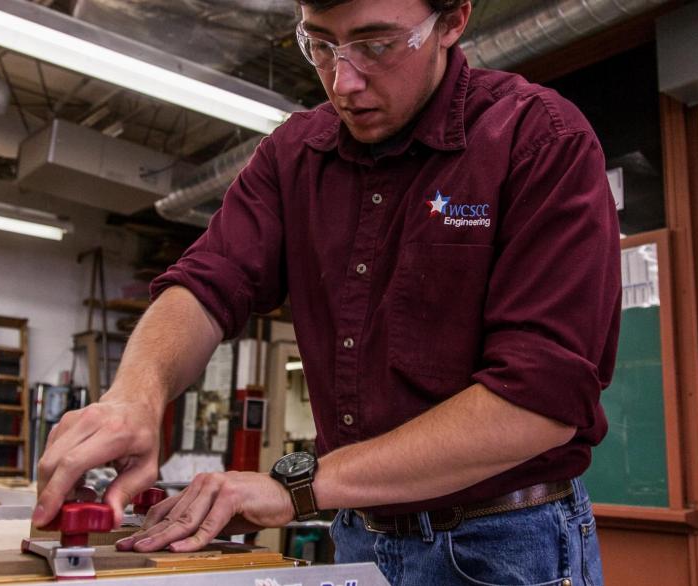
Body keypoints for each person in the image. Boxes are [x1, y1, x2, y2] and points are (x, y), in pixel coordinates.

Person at [33, 0, 621, 583]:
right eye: (320, 45)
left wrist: (299, 489)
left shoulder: (538, 138)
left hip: (504, 545)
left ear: (452, 21)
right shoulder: (295, 153)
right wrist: (136, 395)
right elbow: (207, 281)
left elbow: (537, 403)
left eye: (375, 45)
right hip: (360, 534)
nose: (343, 81)